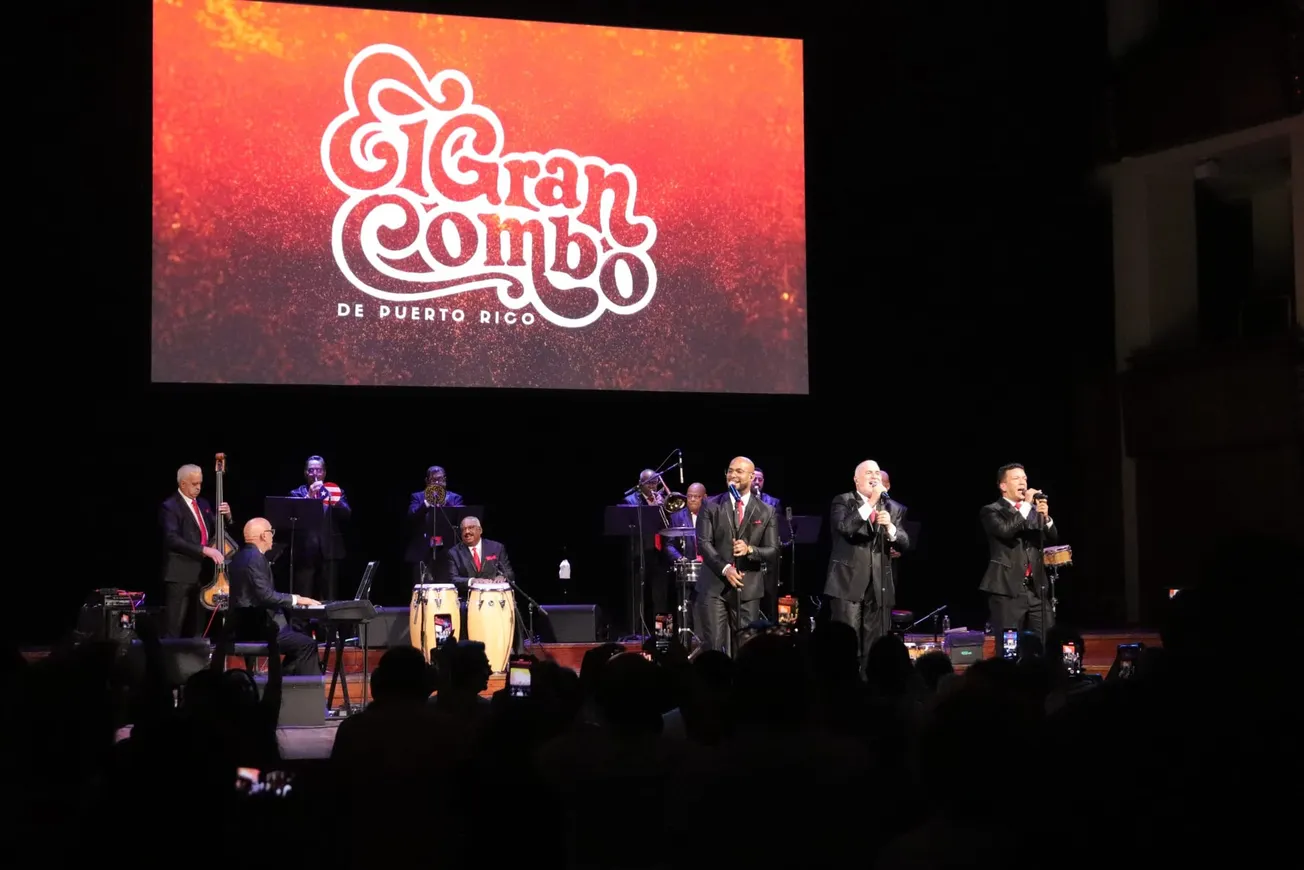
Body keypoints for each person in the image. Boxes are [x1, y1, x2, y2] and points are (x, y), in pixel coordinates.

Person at [823, 459, 910, 674]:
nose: (874, 476)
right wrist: (871, 502)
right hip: (847, 582)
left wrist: (890, 527)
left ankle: (870, 684)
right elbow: (845, 528)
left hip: (879, 584)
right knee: (846, 642)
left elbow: (904, 542)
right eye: (869, 473)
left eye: (877, 473)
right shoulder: (843, 501)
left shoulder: (893, 508)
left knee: (875, 644)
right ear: (856, 479)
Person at [696, 457, 779, 656]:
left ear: (752, 477)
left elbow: (773, 550)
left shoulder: (766, 511)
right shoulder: (710, 505)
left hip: (747, 588)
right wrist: (726, 569)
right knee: (714, 648)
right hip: (714, 586)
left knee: (747, 649)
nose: (732, 475)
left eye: (739, 471)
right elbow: (703, 543)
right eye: (730, 470)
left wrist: (750, 550)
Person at [227, 518, 321, 676]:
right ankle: (308, 689)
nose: (273, 536)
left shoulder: (240, 556)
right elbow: (265, 596)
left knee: (300, 643)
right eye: (271, 532)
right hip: (257, 629)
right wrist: (297, 599)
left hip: (246, 625)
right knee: (307, 644)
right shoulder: (255, 558)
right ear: (264, 535)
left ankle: (282, 681)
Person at [979, 462, 1058, 642]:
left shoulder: (1032, 511)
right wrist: (1027, 505)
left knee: (1047, 642)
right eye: (1016, 478)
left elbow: (1052, 538)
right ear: (1003, 486)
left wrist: (1046, 518)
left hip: (1036, 589)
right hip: (1007, 589)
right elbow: (1006, 531)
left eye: (1024, 478)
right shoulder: (991, 511)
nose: (1023, 482)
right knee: (1010, 647)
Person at [159, 463, 231, 638]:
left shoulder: (203, 503)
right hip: (180, 574)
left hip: (203, 575)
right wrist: (204, 550)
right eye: (194, 484)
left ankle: (197, 654)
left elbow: (217, 530)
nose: (198, 487)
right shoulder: (170, 506)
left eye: (200, 483)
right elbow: (172, 539)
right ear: (183, 483)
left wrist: (227, 516)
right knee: (174, 626)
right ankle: (171, 656)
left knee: (198, 627)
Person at [287, 455, 351, 602]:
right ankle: (302, 619)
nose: (315, 473)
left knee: (329, 597)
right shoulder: (297, 493)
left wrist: (335, 501)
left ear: (324, 473)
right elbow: (294, 518)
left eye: (318, 470)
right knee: (304, 596)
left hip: (330, 551)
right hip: (305, 552)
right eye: (311, 470)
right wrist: (309, 497)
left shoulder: (335, 491)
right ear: (305, 473)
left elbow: (347, 514)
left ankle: (327, 619)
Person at [405, 465, 466, 584]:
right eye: (434, 480)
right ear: (427, 481)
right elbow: (411, 516)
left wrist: (446, 504)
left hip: (446, 550)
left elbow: (461, 520)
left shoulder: (455, 498)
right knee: (422, 586)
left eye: (440, 479)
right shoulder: (418, 497)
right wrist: (426, 503)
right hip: (423, 551)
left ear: (445, 480)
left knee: (445, 585)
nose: (438, 483)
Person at [448, 516, 515, 583]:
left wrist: (503, 576)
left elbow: (509, 572)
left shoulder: (496, 547)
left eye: (471, 527)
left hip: (493, 588)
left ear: (480, 530)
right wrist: (472, 580)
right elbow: (453, 578)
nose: (467, 531)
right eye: (463, 529)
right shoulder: (454, 552)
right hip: (468, 589)